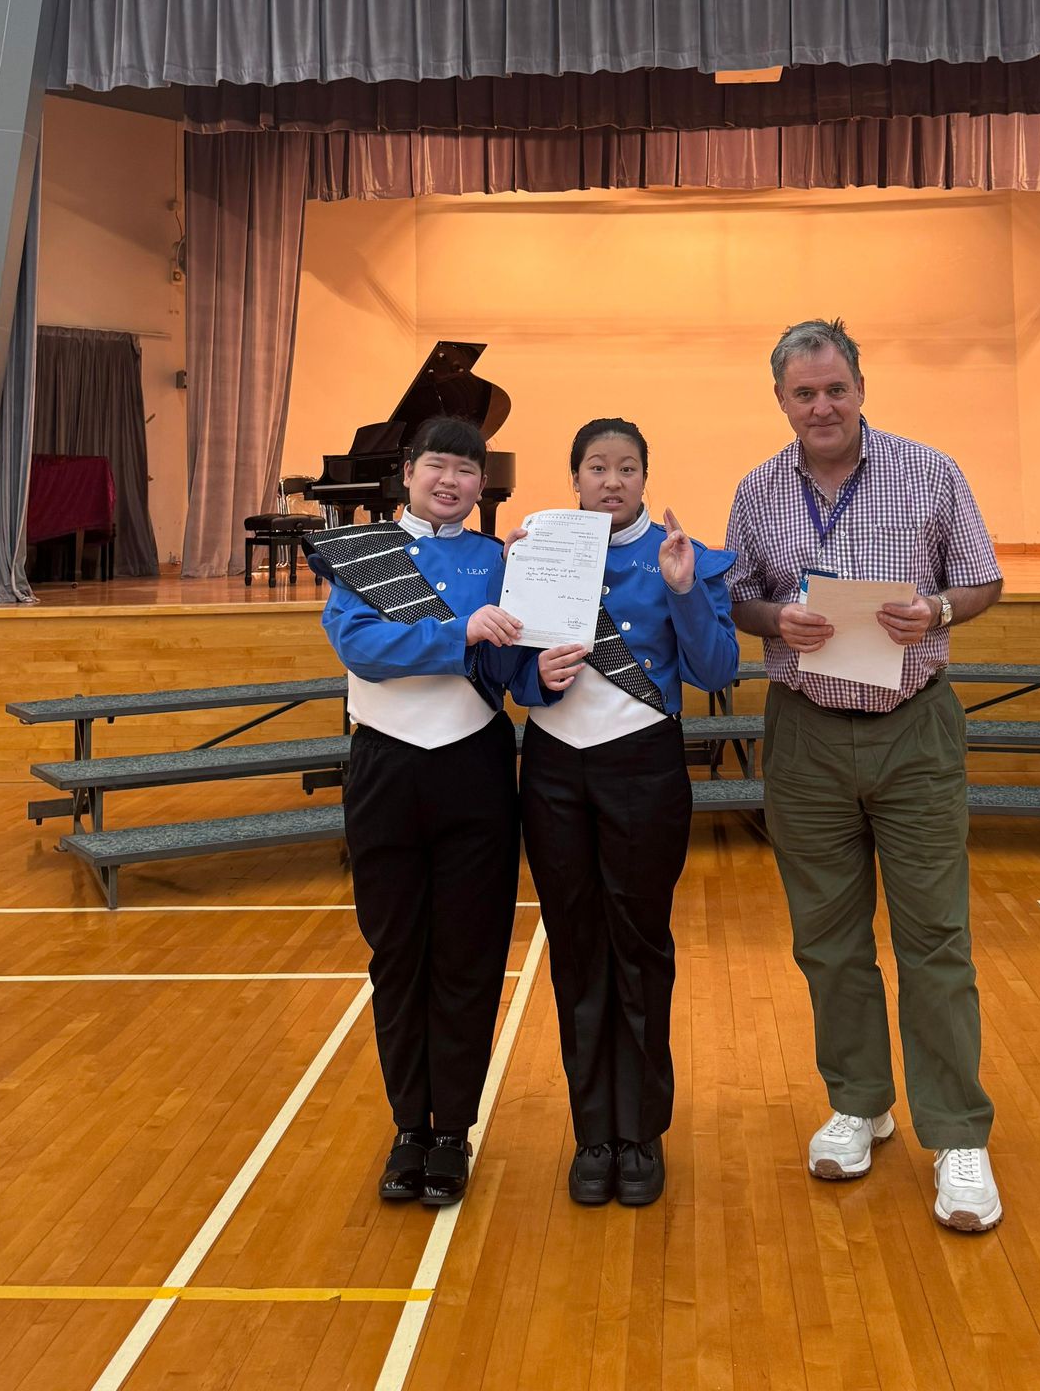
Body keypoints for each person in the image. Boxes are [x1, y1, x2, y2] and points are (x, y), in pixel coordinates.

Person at [725, 319, 1006, 1231]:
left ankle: (956, 1132)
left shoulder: (931, 471)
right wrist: (776, 620)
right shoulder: (757, 490)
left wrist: (937, 611)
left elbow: (984, 581)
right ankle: (860, 1103)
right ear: (781, 400)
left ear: (860, 387)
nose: (822, 406)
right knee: (828, 939)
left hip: (914, 730)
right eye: (804, 393)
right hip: (805, 735)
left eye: (835, 388)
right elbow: (739, 598)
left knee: (936, 939)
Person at [309, 416, 574, 1209]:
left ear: (481, 484)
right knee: (396, 954)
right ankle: (408, 1127)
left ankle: (452, 1128)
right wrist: (459, 630)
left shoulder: (498, 560)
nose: (450, 481)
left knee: (469, 954)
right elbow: (360, 648)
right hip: (385, 768)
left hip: (473, 767)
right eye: (437, 466)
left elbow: (512, 668)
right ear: (407, 473)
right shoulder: (364, 552)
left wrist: (541, 670)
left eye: (466, 470)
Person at [508, 419, 740, 1209]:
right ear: (574, 477)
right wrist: (536, 674)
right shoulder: (539, 552)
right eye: (597, 467)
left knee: (640, 949)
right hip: (552, 771)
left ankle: (640, 1132)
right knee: (576, 949)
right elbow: (511, 675)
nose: (612, 481)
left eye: (627, 468)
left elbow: (716, 671)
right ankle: (593, 1134)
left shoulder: (682, 557)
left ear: (646, 477)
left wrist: (683, 590)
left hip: (643, 767)